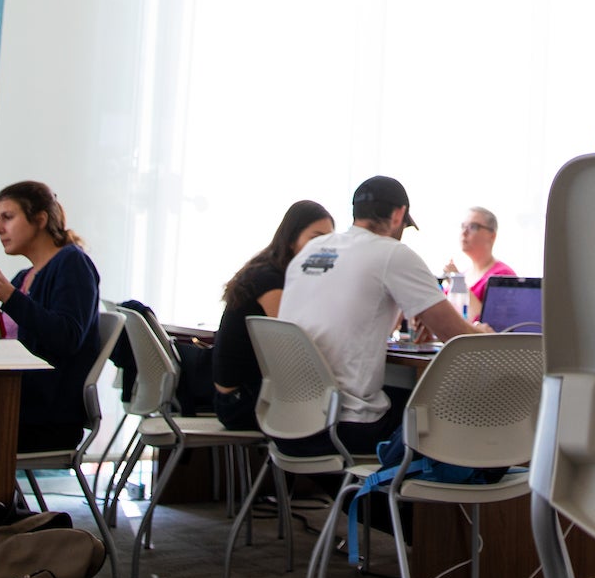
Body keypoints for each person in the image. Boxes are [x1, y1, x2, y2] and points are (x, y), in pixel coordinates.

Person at [273, 176, 486, 459]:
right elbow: (458, 339)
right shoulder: (391, 252)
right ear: (399, 214)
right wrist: (484, 333)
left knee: (402, 396)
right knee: (444, 408)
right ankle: (402, 500)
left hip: (287, 419)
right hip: (344, 427)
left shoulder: (313, 249)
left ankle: (376, 501)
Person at [0, 181, 102, 453]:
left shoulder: (72, 263)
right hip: (16, 403)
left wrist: (10, 297)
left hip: (45, 417)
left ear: (39, 220)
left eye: (8, 218)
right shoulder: (23, 277)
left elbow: (67, 337)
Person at [214, 200, 335, 432]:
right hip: (240, 403)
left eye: (328, 242)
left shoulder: (269, 270)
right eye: (315, 239)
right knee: (349, 406)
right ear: (292, 240)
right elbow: (295, 346)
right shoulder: (270, 281)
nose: (322, 249)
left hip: (247, 397)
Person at [440, 206, 517, 320]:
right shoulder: (464, 273)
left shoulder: (503, 275)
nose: (464, 232)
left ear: (492, 235)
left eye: (473, 227)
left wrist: (458, 281)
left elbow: (490, 323)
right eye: (463, 226)